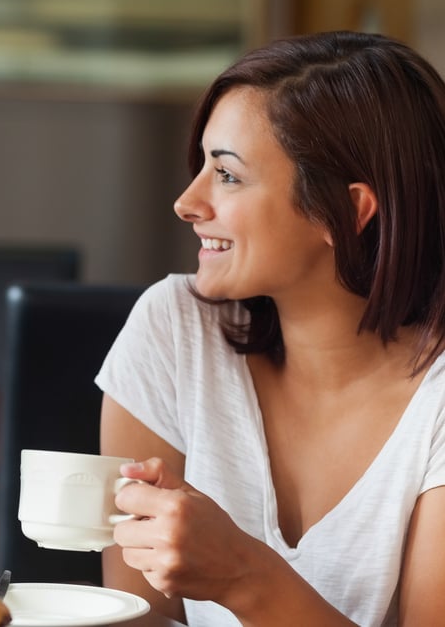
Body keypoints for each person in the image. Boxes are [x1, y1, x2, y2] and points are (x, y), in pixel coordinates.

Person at [96, 30, 445, 626]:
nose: (187, 201)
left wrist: (244, 575)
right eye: (202, 164)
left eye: (228, 175)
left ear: (347, 211)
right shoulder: (175, 330)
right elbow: (138, 617)